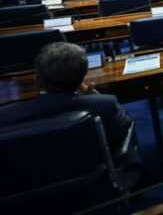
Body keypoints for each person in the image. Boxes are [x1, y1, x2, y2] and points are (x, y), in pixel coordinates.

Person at [0, 42, 141, 171]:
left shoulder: (6, 116)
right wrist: (93, 96)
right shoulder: (105, 105)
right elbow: (125, 134)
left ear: (38, 81)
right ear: (83, 77)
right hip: (97, 182)